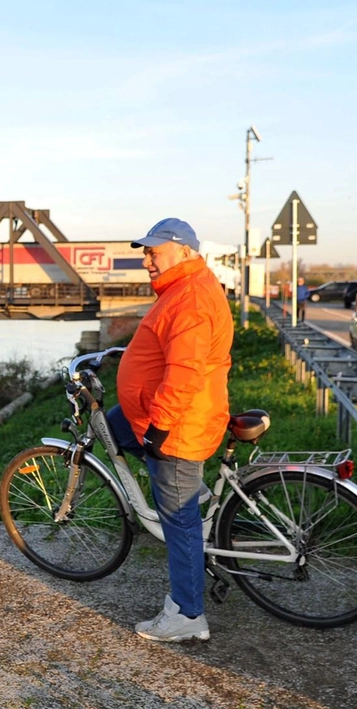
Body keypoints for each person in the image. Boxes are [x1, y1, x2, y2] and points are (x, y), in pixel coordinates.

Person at [106, 217, 233, 642]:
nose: (146, 260)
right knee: (114, 426)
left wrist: (159, 428)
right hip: (162, 413)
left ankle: (187, 614)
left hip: (179, 423)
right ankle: (190, 493)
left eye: (153, 251)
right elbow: (166, 347)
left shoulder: (191, 298)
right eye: (145, 251)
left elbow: (185, 370)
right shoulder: (182, 288)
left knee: (179, 521)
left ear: (184, 252)